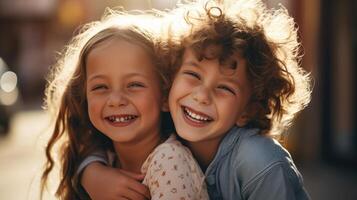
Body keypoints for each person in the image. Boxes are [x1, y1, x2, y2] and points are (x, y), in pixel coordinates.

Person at [79, 0, 312, 199]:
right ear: (170, 80)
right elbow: (99, 141)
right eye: (192, 75)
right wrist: (90, 173)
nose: (201, 96)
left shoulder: (260, 163)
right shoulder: (174, 124)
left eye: (224, 88)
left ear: (248, 110)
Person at [40, 9, 209, 200]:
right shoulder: (105, 157)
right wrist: (90, 174)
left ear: (164, 96)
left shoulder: (169, 161)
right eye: (100, 87)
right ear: (84, 96)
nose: (116, 100)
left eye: (134, 85)